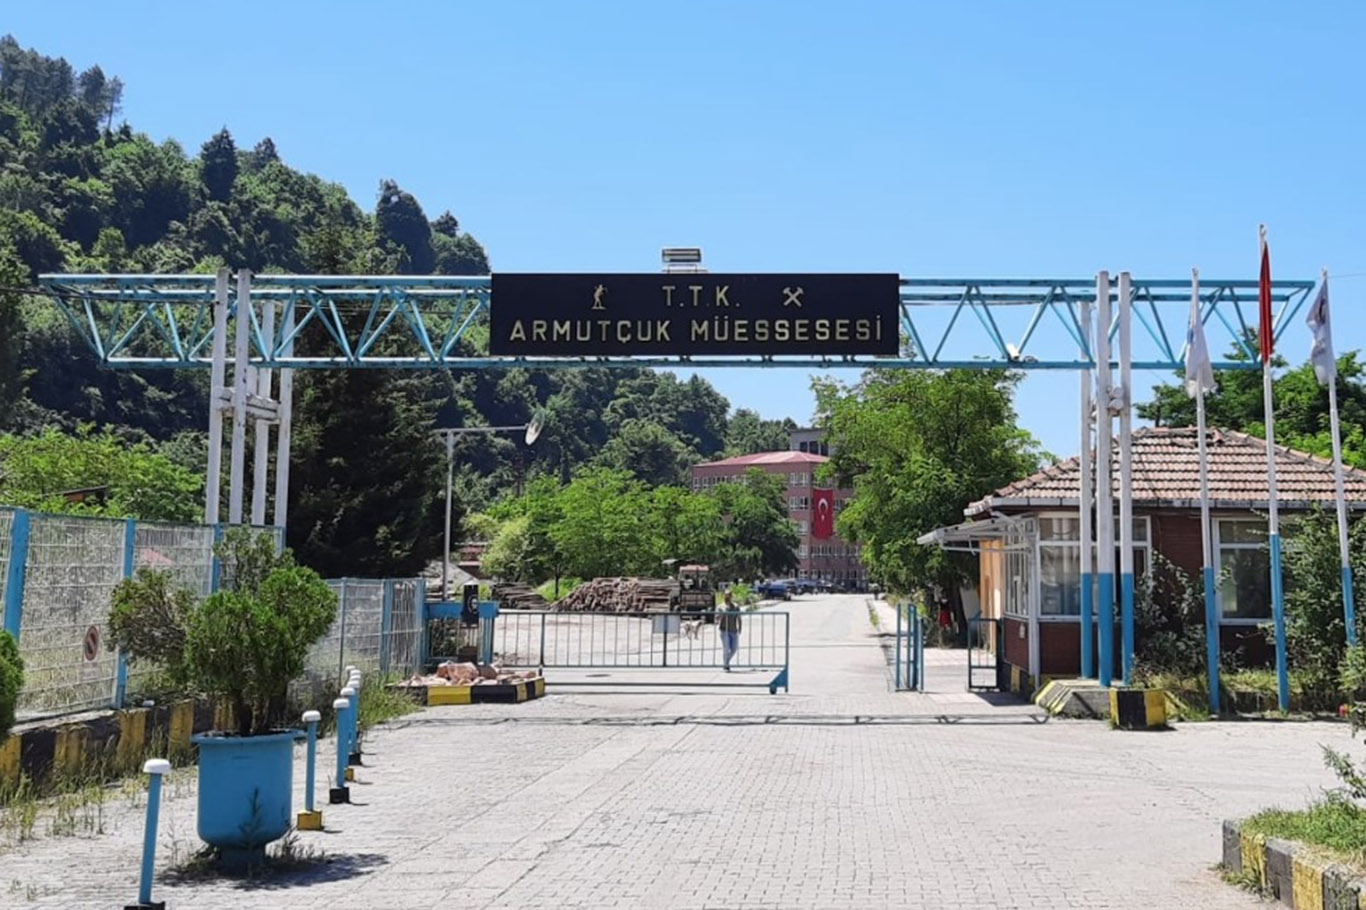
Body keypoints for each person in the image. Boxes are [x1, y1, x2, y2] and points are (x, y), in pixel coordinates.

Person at [719, 591, 742, 671]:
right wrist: (722, 614)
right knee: (726, 648)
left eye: (729, 596)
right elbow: (716, 618)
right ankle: (726, 665)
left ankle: (726, 661)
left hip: (733, 630)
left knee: (734, 648)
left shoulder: (736, 606)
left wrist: (740, 627)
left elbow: (739, 617)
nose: (727, 597)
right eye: (726, 596)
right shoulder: (721, 606)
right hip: (724, 630)